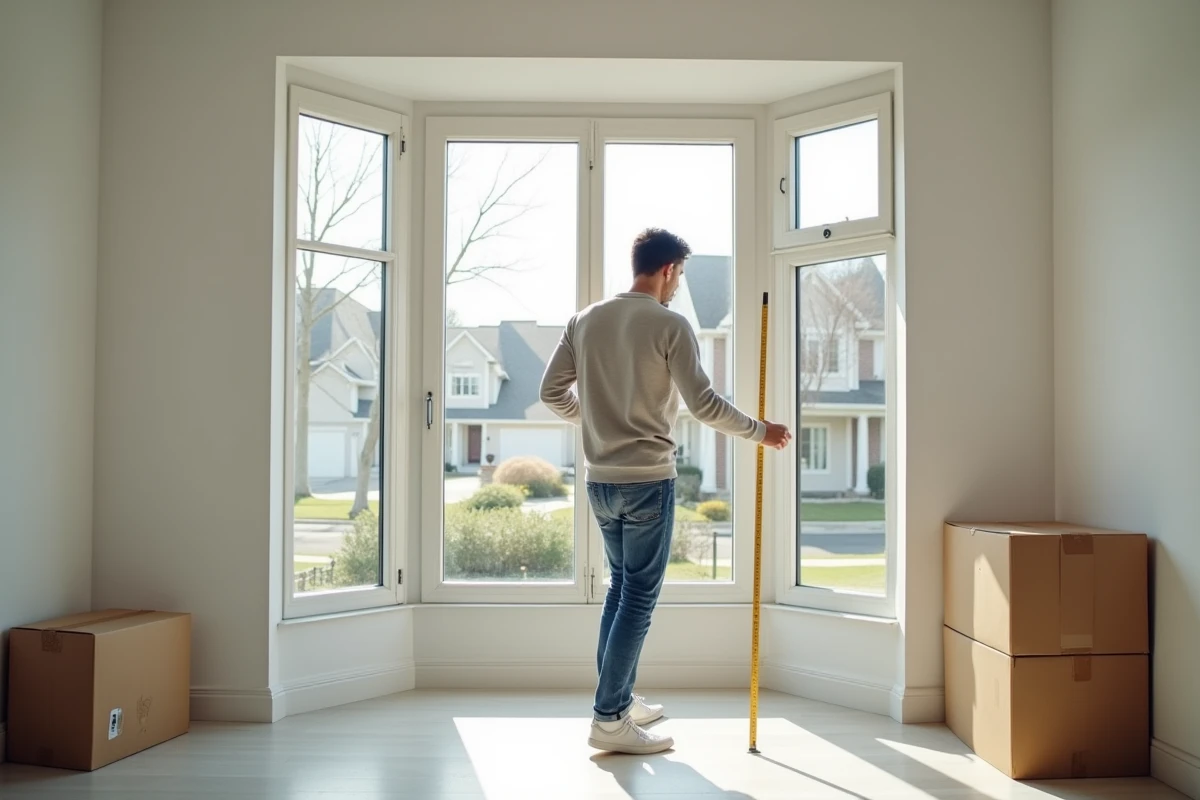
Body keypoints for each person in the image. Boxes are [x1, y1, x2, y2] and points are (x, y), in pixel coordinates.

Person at [540, 228, 792, 755]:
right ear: (670, 269)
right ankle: (608, 718)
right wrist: (759, 431)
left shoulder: (584, 320)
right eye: (680, 275)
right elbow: (703, 404)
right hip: (648, 481)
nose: (678, 285)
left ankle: (619, 700)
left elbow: (550, 392)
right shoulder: (670, 324)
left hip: (600, 482)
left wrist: (595, 420)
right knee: (638, 597)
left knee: (619, 589)